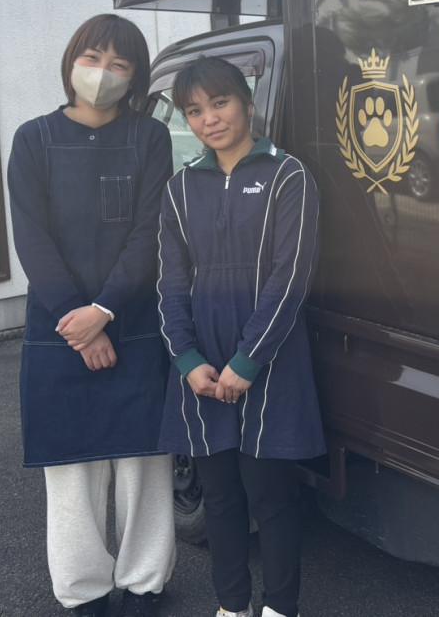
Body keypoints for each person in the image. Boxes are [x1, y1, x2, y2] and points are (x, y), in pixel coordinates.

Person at [7, 14, 175, 617]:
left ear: (136, 78)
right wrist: (79, 321)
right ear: (71, 61)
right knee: (71, 468)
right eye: (92, 58)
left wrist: (103, 310)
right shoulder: (33, 138)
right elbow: (31, 237)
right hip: (61, 330)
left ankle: (145, 583)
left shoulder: (150, 138)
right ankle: (83, 591)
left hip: (134, 322)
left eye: (119, 64)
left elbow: (151, 231)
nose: (102, 74)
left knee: (143, 466)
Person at [156, 56, 324, 617]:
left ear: (248, 104)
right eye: (194, 111)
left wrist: (247, 361)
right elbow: (170, 283)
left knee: (271, 498)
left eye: (220, 102)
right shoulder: (180, 189)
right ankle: (231, 606)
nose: (209, 119)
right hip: (202, 365)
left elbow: (291, 277)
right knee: (221, 497)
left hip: (270, 361)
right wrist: (186, 358)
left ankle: (280, 608)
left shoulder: (288, 176)